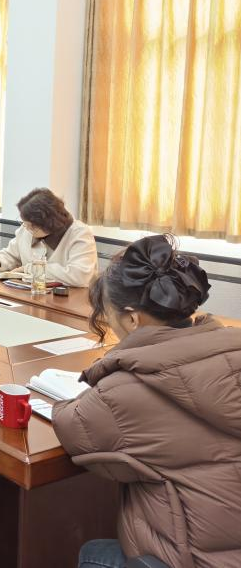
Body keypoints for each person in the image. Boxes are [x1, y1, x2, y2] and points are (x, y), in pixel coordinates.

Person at [52, 235, 241, 568]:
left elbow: (72, 427)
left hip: (193, 560)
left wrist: (107, 369)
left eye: (108, 315)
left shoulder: (126, 390)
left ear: (132, 318)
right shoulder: (230, 350)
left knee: (94, 553)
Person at [0, 188, 98, 287]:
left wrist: (31, 269)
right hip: (30, 294)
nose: (26, 227)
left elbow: (79, 275)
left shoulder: (79, 234)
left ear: (49, 223)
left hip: (70, 300)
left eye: (31, 225)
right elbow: (11, 254)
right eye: (24, 222)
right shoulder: (27, 228)